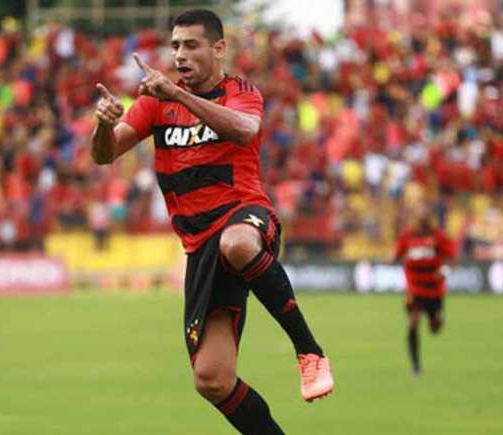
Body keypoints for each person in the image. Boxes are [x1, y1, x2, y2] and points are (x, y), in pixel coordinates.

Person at [91, 9, 333, 433]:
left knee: (236, 243)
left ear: (218, 48)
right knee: (212, 379)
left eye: (191, 45)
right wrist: (103, 125)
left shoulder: (240, 91)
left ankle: (309, 351)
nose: (180, 54)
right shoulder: (155, 103)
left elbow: (244, 130)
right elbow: (104, 154)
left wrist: (177, 95)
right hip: (200, 249)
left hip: (246, 219)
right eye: (175, 46)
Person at [394, 210, 455, 376]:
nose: (422, 223)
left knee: (435, 327)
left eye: (425, 220)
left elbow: (451, 257)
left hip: (434, 289)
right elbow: (397, 254)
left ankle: (437, 318)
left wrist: (444, 270)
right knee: (413, 323)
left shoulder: (438, 237)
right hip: (415, 288)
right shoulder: (407, 236)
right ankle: (415, 367)